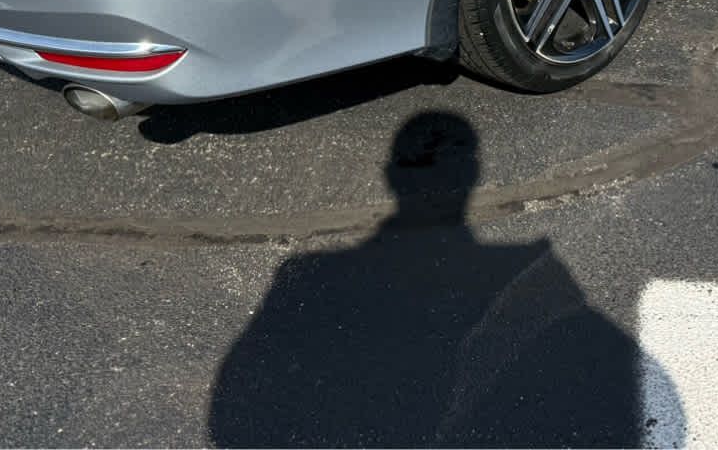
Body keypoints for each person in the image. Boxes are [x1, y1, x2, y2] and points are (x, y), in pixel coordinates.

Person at [208, 111, 646, 447]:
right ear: (473, 177)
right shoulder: (530, 271)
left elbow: (231, 414)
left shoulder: (304, 274)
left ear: (391, 178)